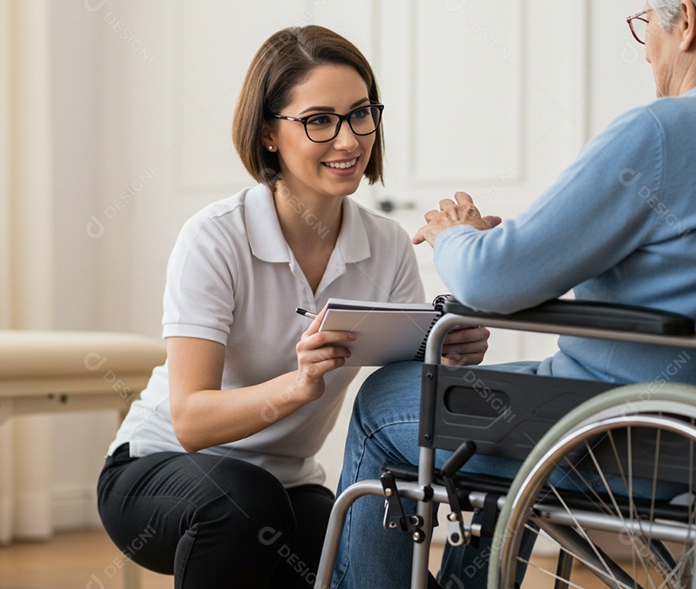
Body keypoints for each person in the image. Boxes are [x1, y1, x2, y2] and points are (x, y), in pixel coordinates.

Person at [330, 0, 696, 587]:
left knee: (383, 400)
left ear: (687, 23)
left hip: (631, 438)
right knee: (496, 412)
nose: (646, 48)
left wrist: (456, 235)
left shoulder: (663, 132)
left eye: (647, 23)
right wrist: (510, 251)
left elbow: (489, 280)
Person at [96, 25, 489, 589]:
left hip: (289, 484)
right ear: (268, 134)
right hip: (155, 470)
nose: (349, 140)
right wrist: (297, 386)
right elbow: (190, 421)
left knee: (372, 557)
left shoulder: (387, 245)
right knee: (245, 503)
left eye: (360, 114)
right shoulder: (216, 237)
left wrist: (453, 340)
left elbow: (409, 383)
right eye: (319, 120)